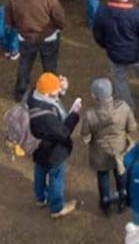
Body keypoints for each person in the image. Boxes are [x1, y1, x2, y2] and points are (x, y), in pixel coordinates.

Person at [6, 0, 65, 101]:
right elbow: (59, 17)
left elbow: (9, 19)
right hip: (48, 37)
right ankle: (51, 92)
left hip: (26, 37)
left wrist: (17, 27)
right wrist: (59, 26)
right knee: (49, 66)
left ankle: (20, 92)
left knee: (24, 65)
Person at [27, 71, 81, 218]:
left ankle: (40, 198)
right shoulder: (47, 117)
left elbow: (49, 98)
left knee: (39, 170)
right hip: (53, 151)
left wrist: (59, 88)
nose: (59, 92)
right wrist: (74, 114)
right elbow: (63, 132)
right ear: (48, 93)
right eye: (56, 90)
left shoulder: (32, 95)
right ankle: (57, 207)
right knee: (56, 176)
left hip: (38, 148)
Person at [80, 76, 137, 214]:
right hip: (121, 149)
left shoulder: (89, 115)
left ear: (94, 96)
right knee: (121, 172)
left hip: (100, 152)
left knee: (103, 176)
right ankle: (123, 197)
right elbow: (132, 127)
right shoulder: (123, 107)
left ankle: (105, 201)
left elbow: (85, 136)